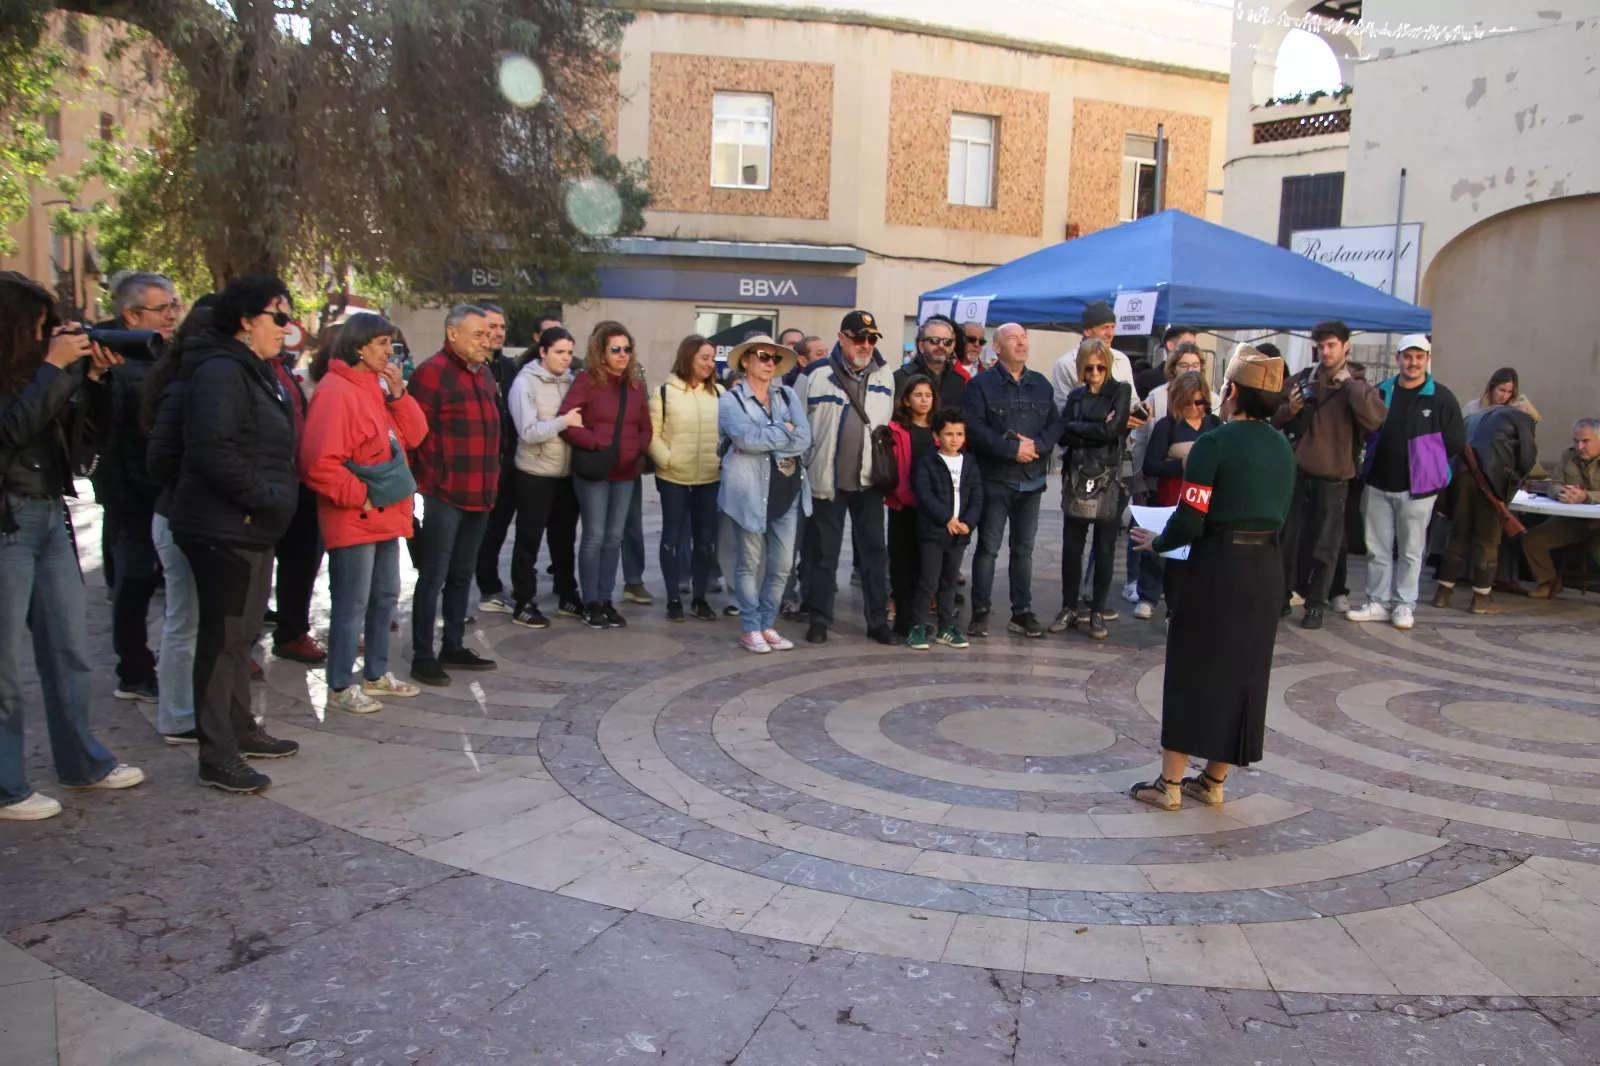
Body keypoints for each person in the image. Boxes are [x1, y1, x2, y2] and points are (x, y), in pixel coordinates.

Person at [0, 272, 145, 820]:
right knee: (4, 669)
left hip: (47, 515)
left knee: (68, 650)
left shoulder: (39, 375)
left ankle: (82, 761)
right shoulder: (30, 375)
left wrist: (97, 383)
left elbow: (84, 449)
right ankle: (5, 785)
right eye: (36, 329)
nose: (46, 338)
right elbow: (12, 431)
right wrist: (54, 367)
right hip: (6, 521)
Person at [1128, 347, 1296, 811]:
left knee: (1192, 669)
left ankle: (1171, 785)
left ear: (1234, 392)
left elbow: (1190, 519)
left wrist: (1157, 542)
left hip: (1217, 566)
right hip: (1266, 568)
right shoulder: (1282, 445)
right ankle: (1214, 780)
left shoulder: (1213, 445)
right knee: (1245, 672)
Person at [162, 276, 303, 793]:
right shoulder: (222, 369)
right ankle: (215, 752)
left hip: (249, 526)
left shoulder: (256, 369)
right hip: (226, 526)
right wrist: (265, 499)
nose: (287, 328)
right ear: (246, 320)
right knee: (221, 643)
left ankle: (240, 728)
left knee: (241, 638)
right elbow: (212, 449)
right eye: (279, 316)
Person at [298, 313, 427, 715]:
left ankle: (376, 673)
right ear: (359, 346)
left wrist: (399, 394)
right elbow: (318, 462)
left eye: (392, 343)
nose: (391, 352)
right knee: (352, 602)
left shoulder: (376, 386)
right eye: (383, 343)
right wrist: (362, 498)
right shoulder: (336, 391)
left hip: (386, 512)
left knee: (386, 595)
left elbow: (416, 435)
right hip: (356, 515)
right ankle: (340, 684)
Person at [406, 304, 502, 685]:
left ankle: (453, 645)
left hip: (481, 490)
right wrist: (431, 479)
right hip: (445, 493)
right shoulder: (431, 375)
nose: (486, 340)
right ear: (452, 334)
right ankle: (422, 655)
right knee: (434, 574)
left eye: (488, 333)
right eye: (478, 334)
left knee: (463, 574)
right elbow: (413, 435)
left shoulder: (484, 376)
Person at [1272, 320, 1387, 628]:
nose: (1325, 352)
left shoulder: (1359, 385)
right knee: (1288, 540)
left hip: (1334, 477)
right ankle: (1281, 598)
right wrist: (1290, 411)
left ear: (1346, 346)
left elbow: (1376, 420)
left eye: (1331, 345)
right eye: (1321, 346)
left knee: (1326, 545)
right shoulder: (1303, 379)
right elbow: (1274, 419)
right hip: (1298, 474)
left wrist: (1349, 384)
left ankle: (1315, 604)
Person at [1345, 335, 1465, 629]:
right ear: (1398, 359)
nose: (1413, 363)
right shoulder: (1382, 392)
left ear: (1427, 359)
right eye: (1407, 357)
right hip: (1377, 483)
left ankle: (1404, 605)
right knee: (1377, 548)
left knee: (1411, 551)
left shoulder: (1442, 397)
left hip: (1418, 489)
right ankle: (1378, 602)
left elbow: (1455, 440)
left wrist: (1426, 460)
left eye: (1419, 357)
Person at [98, 272, 180, 703]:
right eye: (161, 308)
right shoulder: (108, 361)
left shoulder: (165, 355)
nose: (170, 315)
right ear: (131, 315)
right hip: (132, 497)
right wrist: (123, 501)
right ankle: (133, 669)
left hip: (163, 491)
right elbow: (107, 442)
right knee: (135, 582)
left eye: (174, 306)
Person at [142, 295, 219, 744]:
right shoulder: (182, 387)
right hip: (180, 518)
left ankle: (193, 707)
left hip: (189, 516)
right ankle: (176, 715)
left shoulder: (193, 382)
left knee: (194, 619)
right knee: (184, 619)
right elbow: (163, 461)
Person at [797, 310, 897, 645]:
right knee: (824, 555)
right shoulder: (814, 374)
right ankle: (819, 619)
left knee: (874, 554)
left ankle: (877, 622)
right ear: (841, 338)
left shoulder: (885, 375)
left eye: (871, 339)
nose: (865, 345)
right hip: (827, 480)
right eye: (858, 338)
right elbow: (795, 425)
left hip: (869, 482)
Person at [962, 322, 1064, 639]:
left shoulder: (1042, 385)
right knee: (988, 548)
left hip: (1032, 481)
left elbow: (1055, 425)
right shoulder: (980, 386)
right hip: (995, 480)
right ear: (997, 348)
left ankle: (1022, 612)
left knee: (1024, 550)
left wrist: (1037, 446)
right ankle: (980, 611)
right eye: (1012, 339)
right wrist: (1011, 449)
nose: (1020, 343)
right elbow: (974, 428)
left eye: (1024, 338)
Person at [718, 335, 811, 653]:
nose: (770, 363)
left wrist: (768, 437)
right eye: (763, 356)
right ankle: (750, 626)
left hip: (787, 488)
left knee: (783, 563)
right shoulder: (732, 400)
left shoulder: (787, 394)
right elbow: (745, 437)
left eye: (774, 358)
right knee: (749, 562)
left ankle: (767, 624)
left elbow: (803, 439)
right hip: (748, 492)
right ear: (746, 360)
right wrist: (782, 430)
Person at [560, 322, 652, 629]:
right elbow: (569, 422)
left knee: (614, 539)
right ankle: (590, 602)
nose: (622, 355)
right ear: (601, 352)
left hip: (625, 472)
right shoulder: (586, 381)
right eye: (615, 349)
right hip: (594, 470)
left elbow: (645, 425)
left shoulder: (636, 386)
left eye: (627, 349)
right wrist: (596, 444)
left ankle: (606, 599)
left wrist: (638, 449)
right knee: (594, 537)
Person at [1128, 342, 1216, 619]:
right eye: (1187, 401)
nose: (1193, 407)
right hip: (1168, 497)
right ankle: (1149, 597)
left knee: (1191, 556)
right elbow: (1151, 464)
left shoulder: (1214, 426)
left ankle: (1180, 606)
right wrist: (1181, 463)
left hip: (1201, 499)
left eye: (1199, 401)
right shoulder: (1167, 425)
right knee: (1158, 549)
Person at [1051, 339, 1132, 640]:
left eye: (1100, 365)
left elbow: (1115, 429)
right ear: (1081, 367)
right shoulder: (1075, 395)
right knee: (1072, 548)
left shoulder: (1120, 390)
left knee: (1105, 548)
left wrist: (1080, 427)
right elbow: (1063, 433)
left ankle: (1097, 610)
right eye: (1089, 366)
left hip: (1109, 477)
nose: (1095, 371)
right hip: (1077, 475)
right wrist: (1096, 429)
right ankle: (1069, 606)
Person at [505, 327, 582, 627]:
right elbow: (528, 431)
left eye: (569, 353)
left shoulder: (571, 382)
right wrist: (564, 421)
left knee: (564, 539)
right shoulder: (523, 384)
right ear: (543, 351)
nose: (565, 358)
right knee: (529, 539)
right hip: (534, 473)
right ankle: (524, 601)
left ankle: (567, 594)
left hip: (565, 473)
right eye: (559, 352)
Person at [1431, 400, 1538, 614]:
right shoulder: (1523, 417)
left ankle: (1442, 594)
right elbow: (1527, 457)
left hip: (1459, 477)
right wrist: (1512, 484)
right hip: (1490, 482)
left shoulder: (1475, 416)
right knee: (1487, 540)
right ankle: (1481, 598)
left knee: (1458, 534)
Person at [650, 334, 725, 622]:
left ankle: (700, 598)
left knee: (705, 540)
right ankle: (672, 599)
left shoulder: (719, 393)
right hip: (674, 479)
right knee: (671, 536)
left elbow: (727, 433)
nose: (710, 363)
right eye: (704, 358)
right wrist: (667, 460)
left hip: (709, 477)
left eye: (712, 358)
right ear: (688, 358)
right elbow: (652, 435)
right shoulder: (664, 392)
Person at [265, 318, 326, 666]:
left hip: (300, 481)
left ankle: (292, 631)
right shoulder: (244, 370)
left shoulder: (284, 369)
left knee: (302, 561)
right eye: (276, 317)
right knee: (256, 570)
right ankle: (243, 646)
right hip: (266, 484)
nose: (284, 328)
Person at [906, 408, 981, 650]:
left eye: (959, 433)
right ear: (937, 435)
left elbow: (977, 496)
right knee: (928, 580)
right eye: (949, 433)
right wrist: (947, 518)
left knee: (949, 582)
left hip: (959, 535)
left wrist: (967, 523)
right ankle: (917, 627)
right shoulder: (928, 461)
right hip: (933, 533)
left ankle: (946, 627)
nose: (955, 438)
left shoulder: (969, 462)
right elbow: (924, 493)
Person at [474, 303, 522, 616]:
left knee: (497, 531)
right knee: (471, 535)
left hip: (506, 467)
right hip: (474, 469)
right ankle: (483, 588)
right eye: (492, 327)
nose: (498, 333)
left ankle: (490, 587)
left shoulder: (509, 368)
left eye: (502, 327)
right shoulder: (470, 368)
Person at [1520, 418, 1600, 598]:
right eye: (1576, 441)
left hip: (1598, 524)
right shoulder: (1569, 455)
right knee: (1532, 539)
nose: (1580, 447)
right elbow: (1553, 484)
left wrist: (1586, 497)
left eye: (1585, 441)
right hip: (1570, 520)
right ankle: (1547, 582)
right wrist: (1562, 492)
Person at [887, 375, 937, 637]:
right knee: (901, 563)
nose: (924, 400)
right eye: (918, 395)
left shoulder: (938, 430)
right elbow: (892, 470)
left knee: (924, 566)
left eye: (928, 395)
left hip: (931, 510)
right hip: (903, 506)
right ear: (906, 399)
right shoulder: (896, 429)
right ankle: (902, 619)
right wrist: (909, 497)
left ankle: (918, 619)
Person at [894, 314, 967, 411]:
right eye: (934, 340)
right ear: (921, 346)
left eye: (947, 342)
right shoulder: (902, 378)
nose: (941, 346)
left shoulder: (958, 381)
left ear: (952, 346)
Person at [1463, 367, 1539, 421]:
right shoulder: (1472, 408)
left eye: (1509, 392)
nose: (1505, 396)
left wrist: (1528, 411)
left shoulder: (1513, 410)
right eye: (1501, 390)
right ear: (1492, 387)